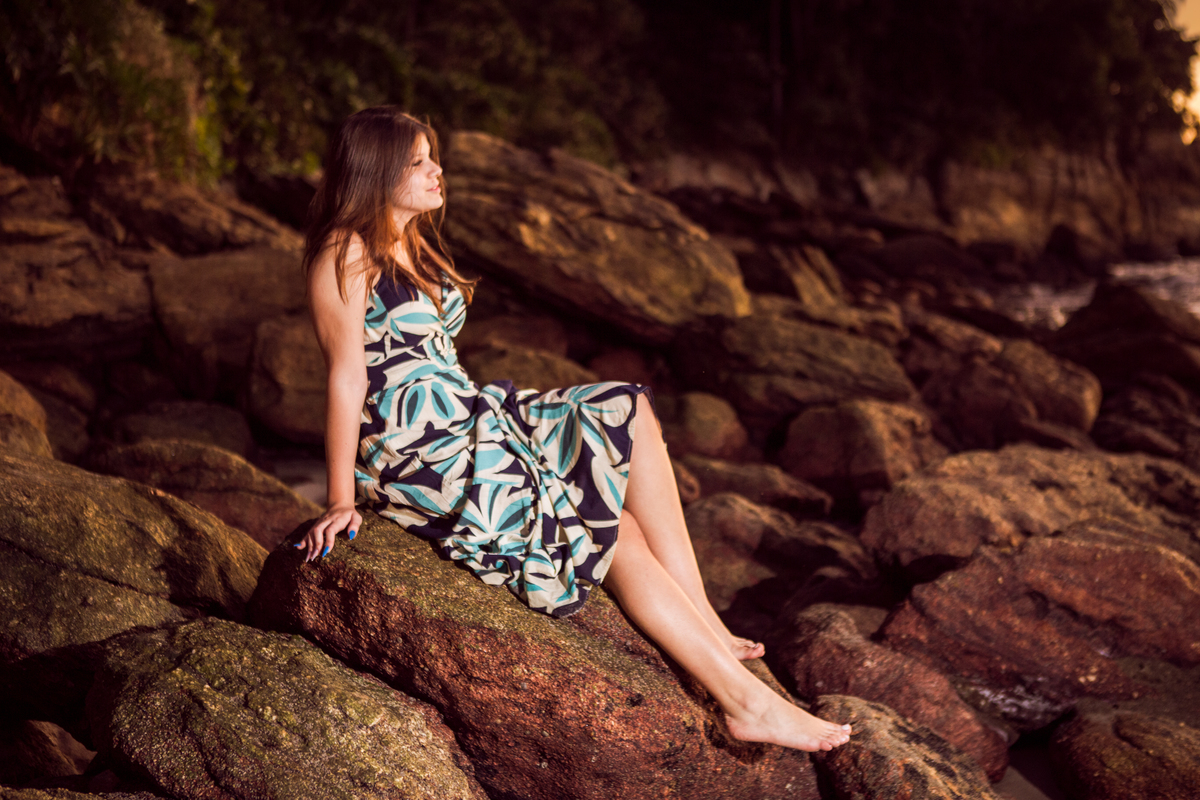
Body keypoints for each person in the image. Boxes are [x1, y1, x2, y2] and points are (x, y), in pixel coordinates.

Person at [294, 105, 852, 752]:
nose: (435, 170)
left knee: (628, 411)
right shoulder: (345, 249)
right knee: (609, 527)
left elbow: (439, 360)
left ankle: (707, 621)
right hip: (421, 450)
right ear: (376, 169)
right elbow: (346, 377)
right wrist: (339, 499)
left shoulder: (408, 243)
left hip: (471, 417)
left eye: (431, 157)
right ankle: (748, 704)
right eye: (417, 162)